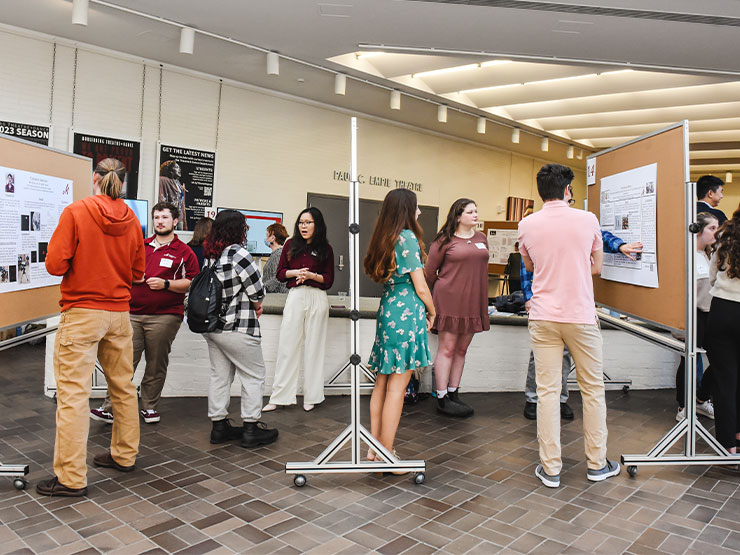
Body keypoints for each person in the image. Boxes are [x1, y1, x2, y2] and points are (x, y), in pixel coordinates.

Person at [37, 158, 145, 497]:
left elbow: (55, 265)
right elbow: (138, 274)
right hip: (119, 313)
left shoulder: (76, 212)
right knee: (123, 387)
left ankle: (70, 477)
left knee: (73, 395)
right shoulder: (132, 220)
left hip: (82, 311)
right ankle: (124, 455)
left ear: (95, 178)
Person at [519, 163, 620, 488]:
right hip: (580, 315)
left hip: (544, 316)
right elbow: (597, 267)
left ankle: (550, 469)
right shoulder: (587, 219)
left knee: (547, 393)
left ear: (541, 192)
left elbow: (530, 266)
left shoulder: (527, 224)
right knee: (592, 391)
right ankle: (596, 464)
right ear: (567, 190)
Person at [521, 188, 643, 421]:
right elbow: (527, 266)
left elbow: (600, 236)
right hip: (546, 304)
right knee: (541, 357)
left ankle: (561, 399)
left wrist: (619, 246)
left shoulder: (581, 221)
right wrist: (529, 296)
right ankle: (533, 400)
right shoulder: (535, 224)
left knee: (565, 355)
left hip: (573, 304)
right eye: (570, 198)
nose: (571, 203)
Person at [90, 202, 199, 425]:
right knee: (124, 362)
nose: (160, 221)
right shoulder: (140, 245)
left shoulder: (184, 251)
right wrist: (133, 278)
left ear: (175, 221)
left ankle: (149, 407)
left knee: (155, 362)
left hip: (165, 315)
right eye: (157, 217)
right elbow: (121, 271)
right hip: (132, 313)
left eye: (165, 217)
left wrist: (167, 284)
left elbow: (193, 282)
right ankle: (109, 408)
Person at [364, 189, 435, 463]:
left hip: (388, 309)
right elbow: (422, 287)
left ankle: (373, 449)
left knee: (381, 382)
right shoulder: (407, 238)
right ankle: (386, 454)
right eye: (416, 207)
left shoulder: (385, 237)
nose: (419, 212)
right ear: (407, 210)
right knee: (398, 387)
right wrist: (433, 312)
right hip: (406, 313)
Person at [201, 210, 278, 447]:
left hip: (213, 328)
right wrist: (257, 304)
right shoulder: (238, 254)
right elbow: (257, 291)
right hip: (239, 326)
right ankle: (251, 430)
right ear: (239, 230)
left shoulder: (212, 256)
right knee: (253, 376)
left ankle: (219, 427)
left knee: (219, 376)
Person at [264, 208, 334, 412]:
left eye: (308, 222)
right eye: (301, 222)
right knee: (287, 346)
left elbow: (328, 279)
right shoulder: (289, 244)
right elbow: (280, 274)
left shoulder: (326, 249)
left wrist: (311, 276)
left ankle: (312, 395)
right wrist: (297, 273)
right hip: (295, 296)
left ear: (317, 225)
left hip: (317, 297)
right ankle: (280, 396)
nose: (303, 226)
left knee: (314, 347)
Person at [425, 198, 488, 417]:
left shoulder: (482, 238)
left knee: (462, 349)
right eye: (470, 211)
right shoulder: (444, 241)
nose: (475, 214)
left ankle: (454, 393)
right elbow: (429, 273)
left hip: (473, 301)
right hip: (449, 299)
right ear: (458, 216)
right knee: (447, 348)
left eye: (476, 210)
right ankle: (441, 397)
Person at [675, 212, 718, 422]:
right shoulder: (688, 255)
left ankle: (700, 399)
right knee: (688, 361)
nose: (716, 232)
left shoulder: (709, 254)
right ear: (698, 231)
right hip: (694, 317)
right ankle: (683, 407)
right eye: (712, 228)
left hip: (710, 316)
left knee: (719, 360)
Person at [705, 205, 740, 455]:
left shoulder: (727, 234)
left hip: (721, 309)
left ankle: (728, 443)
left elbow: (711, 276)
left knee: (724, 379)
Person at [159, 160, 188, 230]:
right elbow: (161, 199)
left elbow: (182, 204)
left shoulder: (178, 184)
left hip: (179, 218)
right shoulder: (162, 180)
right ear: (170, 170)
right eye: (177, 167)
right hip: (169, 218)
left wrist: (185, 221)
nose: (179, 169)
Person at [262, 222, 289, 293]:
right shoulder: (277, 253)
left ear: (272, 238)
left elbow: (277, 278)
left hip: (278, 298)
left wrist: (260, 288)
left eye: (267, 235)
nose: (266, 238)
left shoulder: (279, 254)